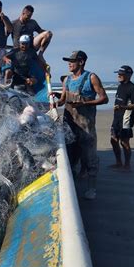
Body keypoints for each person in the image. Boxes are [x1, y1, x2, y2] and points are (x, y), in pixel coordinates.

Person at [54, 50, 109, 200]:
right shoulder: (67, 80)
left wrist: (84, 102)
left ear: (82, 62)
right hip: (69, 124)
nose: (69, 63)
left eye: (72, 61)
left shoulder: (91, 77)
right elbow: (63, 100)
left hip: (86, 125)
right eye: (68, 61)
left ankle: (92, 188)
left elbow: (104, 99)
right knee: (69, 155)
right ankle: (70, 188)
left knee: (89, 156)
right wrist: (55, 99)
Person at [110, 65, 134, 171]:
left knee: (124, 142)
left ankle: (127, 165)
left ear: (128, 75)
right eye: (118, 73)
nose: (119, 75)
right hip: (117, 117)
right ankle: (118, 162)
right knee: (113, 140)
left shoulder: (132, 88)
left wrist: (123, 107)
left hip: (127, 118)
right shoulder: (120, 86)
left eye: (121, 74)